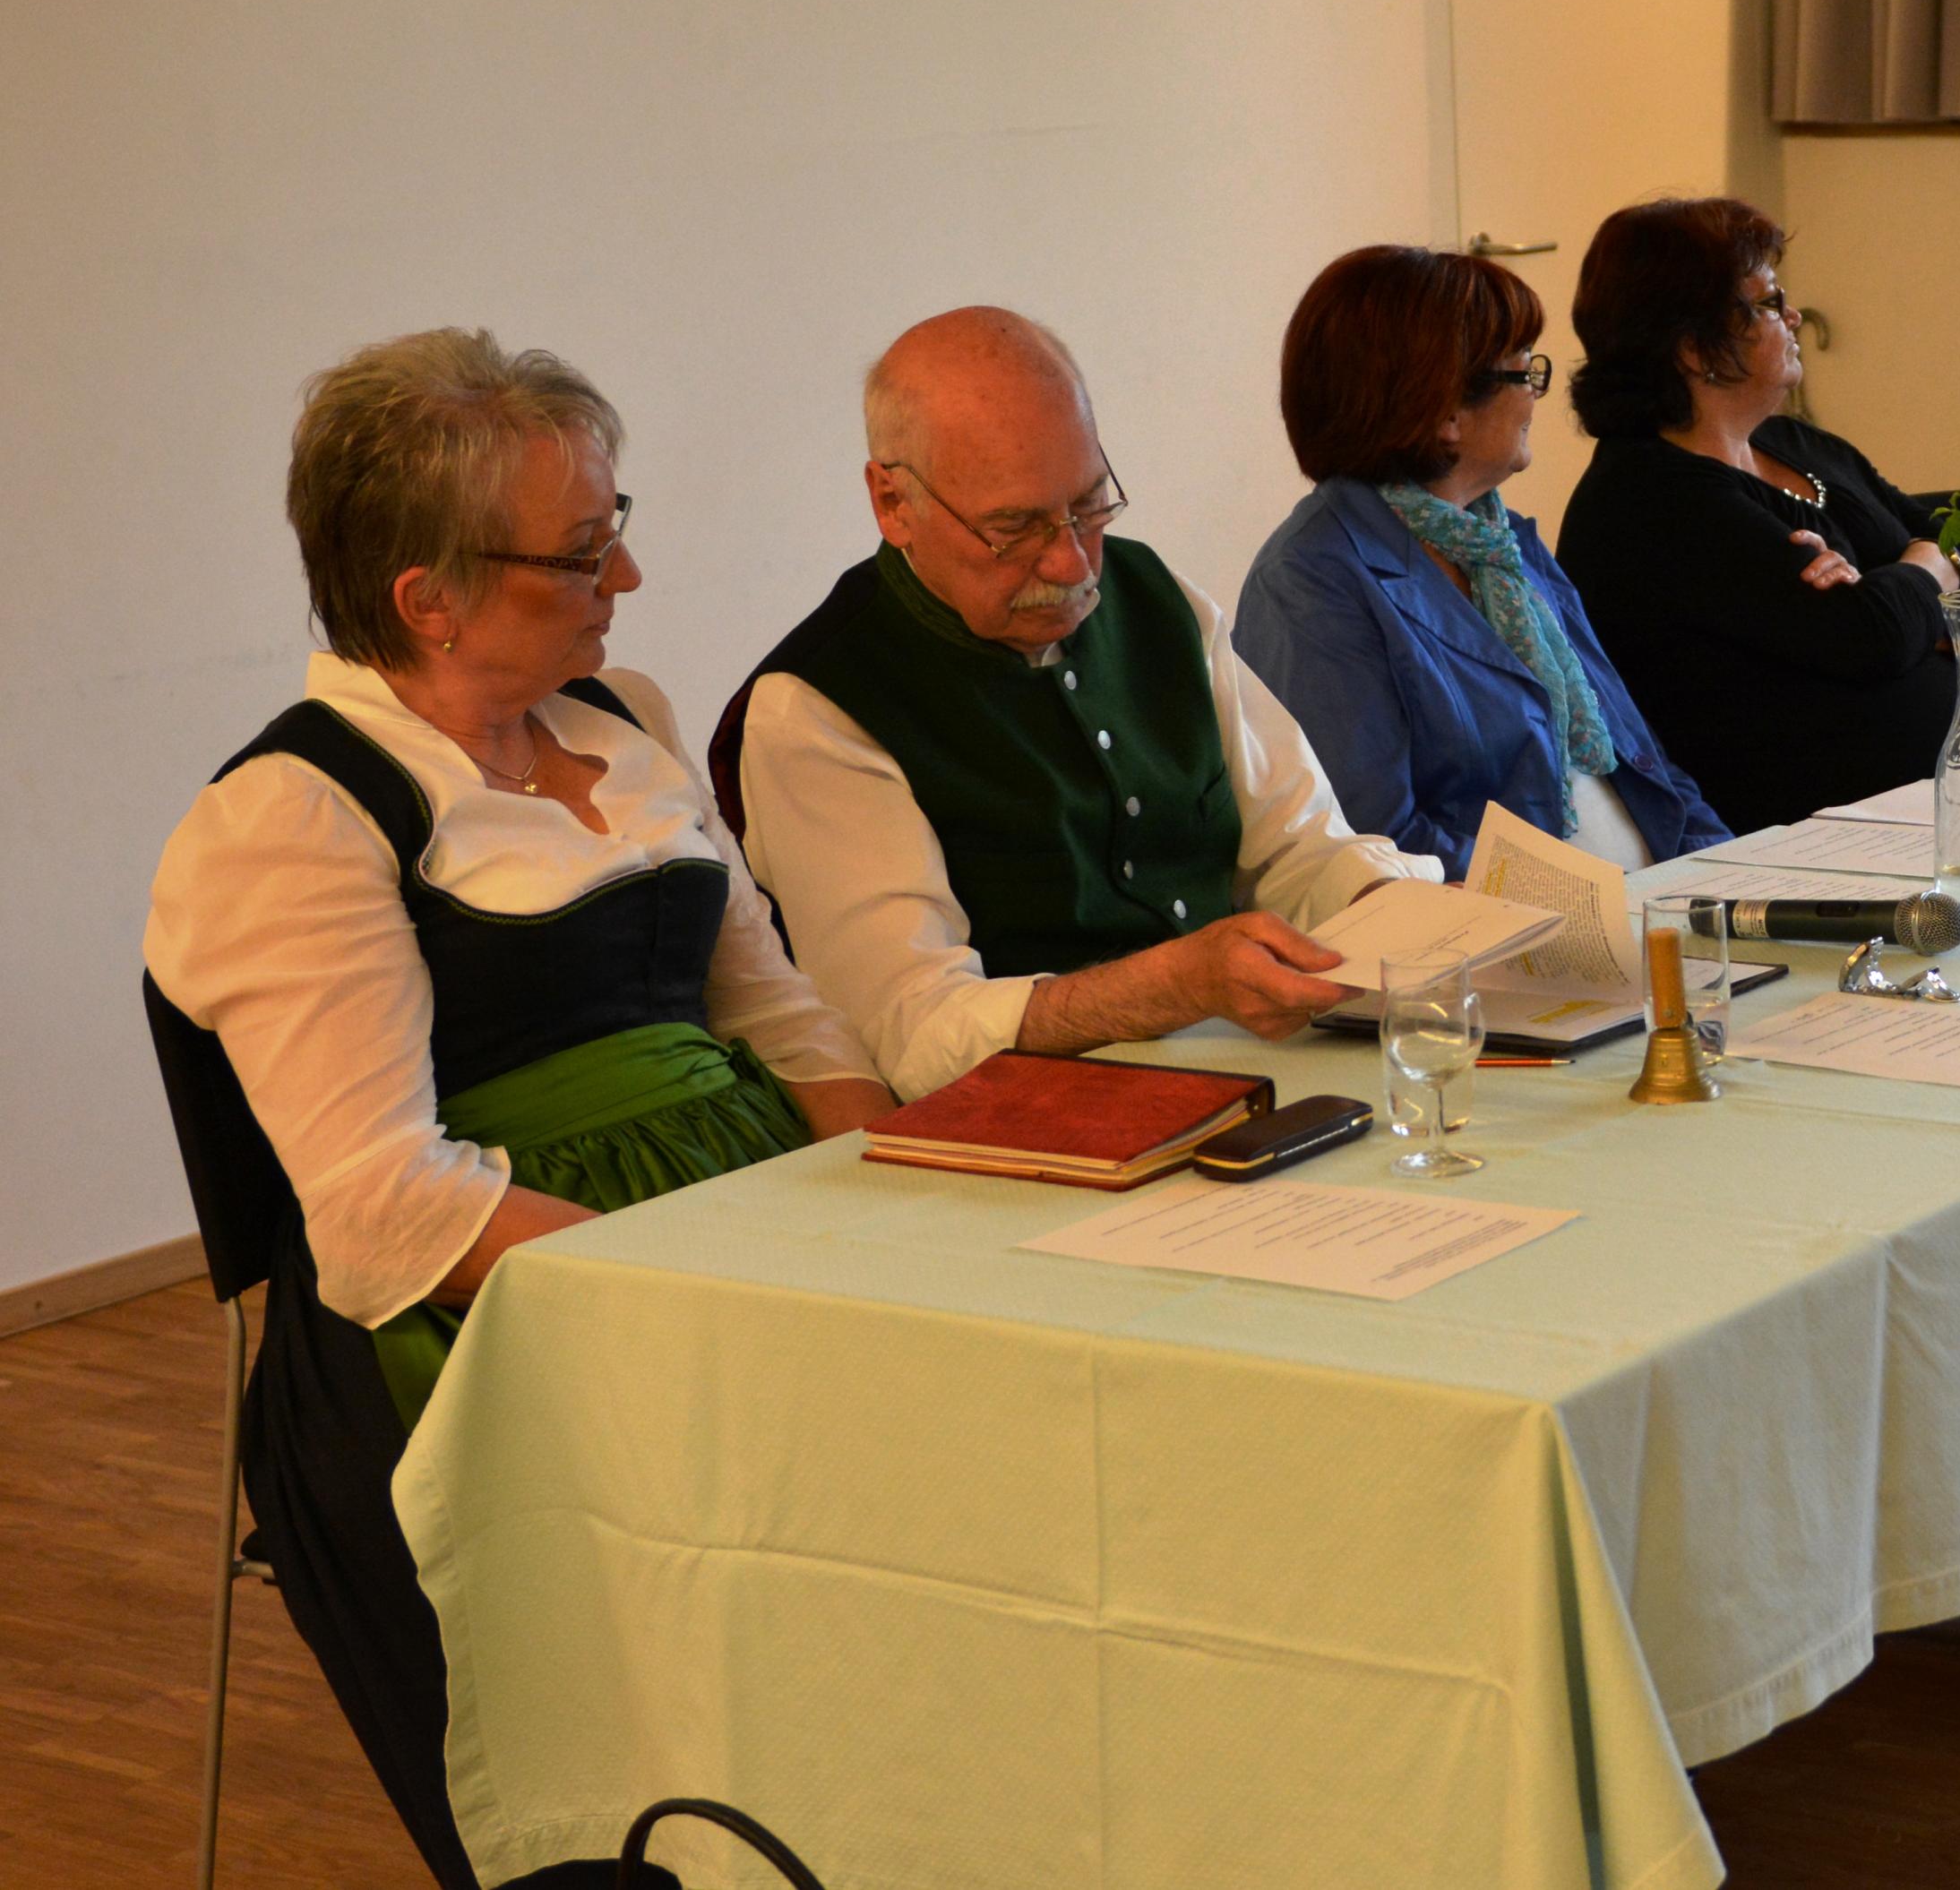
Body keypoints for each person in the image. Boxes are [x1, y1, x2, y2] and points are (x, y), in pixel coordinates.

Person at [145, 330, 891, 1890]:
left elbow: (779, 1014)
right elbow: (387, 1211)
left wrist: (900, 1202)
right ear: (428, 596)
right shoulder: (293, 816)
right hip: (481, 1336)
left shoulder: (624, 718)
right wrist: (709, 1294)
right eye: (581, 550)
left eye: (616, 525)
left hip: (736, 1250)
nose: (626, 575)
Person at [724, 307, 1438, 1099]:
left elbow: (1298, 847)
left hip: (1259, 1081)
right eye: (1014, 527)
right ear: (893, 503)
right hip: (1039, 1121)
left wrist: (1395, 911)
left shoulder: (1160, 601)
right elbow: (911, 1031)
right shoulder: (819, 705)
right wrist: (1169, 987)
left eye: (1090, 506)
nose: (1071, 562)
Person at [1234, 244, 1729, 877]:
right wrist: (1579, 904)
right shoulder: (1310, 583)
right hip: (1514, 929)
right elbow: (1375, 843)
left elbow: (1645, 764)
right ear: (1445, 410)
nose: (1535, 397)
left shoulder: (1501, 542)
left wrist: (1735, 879)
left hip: (1650, 904)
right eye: (1525, 372)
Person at [1552, 196, 1960, 834]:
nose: (1793, 315)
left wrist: (1913, 582)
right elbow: (1872, 637)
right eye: (1770, 302)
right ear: (1696, 349)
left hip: (1929, 801)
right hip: (1795, 841)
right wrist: (1925, 576)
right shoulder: (1650, 501)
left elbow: (1957, 534)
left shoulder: (1791, 442)